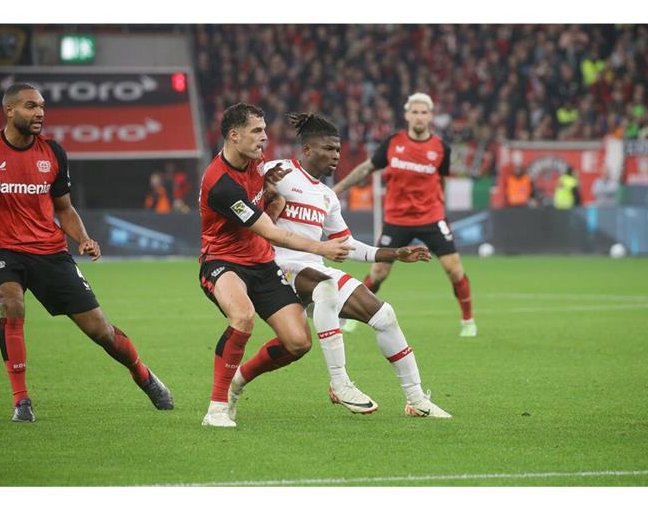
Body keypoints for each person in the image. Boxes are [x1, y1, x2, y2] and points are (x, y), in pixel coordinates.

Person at [0, 83, 173, 422]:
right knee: (11, 303)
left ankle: (143, 375)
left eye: (42, 106)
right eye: (30, 106)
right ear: (10, 111)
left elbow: (64, 209)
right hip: (0, 249)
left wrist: (83, 239)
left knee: (100, 329)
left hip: (50, 252)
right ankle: (22, 401)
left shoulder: (53, 153)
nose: (40, 113)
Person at [233, 112, 451, 418]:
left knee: (385, 316)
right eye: (329, 149)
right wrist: (266, 191)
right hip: (274, 267)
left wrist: (395, 253)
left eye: (338, 149)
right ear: (307, 150)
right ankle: (339, 382)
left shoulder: (327, 197)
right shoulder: (276, 171)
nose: (336, 155)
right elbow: (240, 206)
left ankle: (416, 400)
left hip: (311, 265)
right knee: (326, 289)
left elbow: (346, 246)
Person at [198, 103, 352, 428]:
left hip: (262, 264)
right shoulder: (220, 182)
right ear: (234, 135)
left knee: (298, 343)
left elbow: (265, 207)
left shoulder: (258, 165)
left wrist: (270, 193)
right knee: (242, 318)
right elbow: (269, 231)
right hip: (223, 261)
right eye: (257, 131)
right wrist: (320, 246)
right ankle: (216, 408)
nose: (264, 138)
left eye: (264, 130)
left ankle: (238, 381)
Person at [333, 92, 477, 337]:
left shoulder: (441, 148)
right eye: (415, 112)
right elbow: (367, 168)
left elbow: (440, 181)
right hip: (397, 220)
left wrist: (435, 206)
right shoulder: (393, 143)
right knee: (378, 273)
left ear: (430, 116)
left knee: (454, 268)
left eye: (424, 112)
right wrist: (336, 190)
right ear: (407, 114)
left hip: (431, 217)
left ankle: (468, 321)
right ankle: (354, 316)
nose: (419, 117)